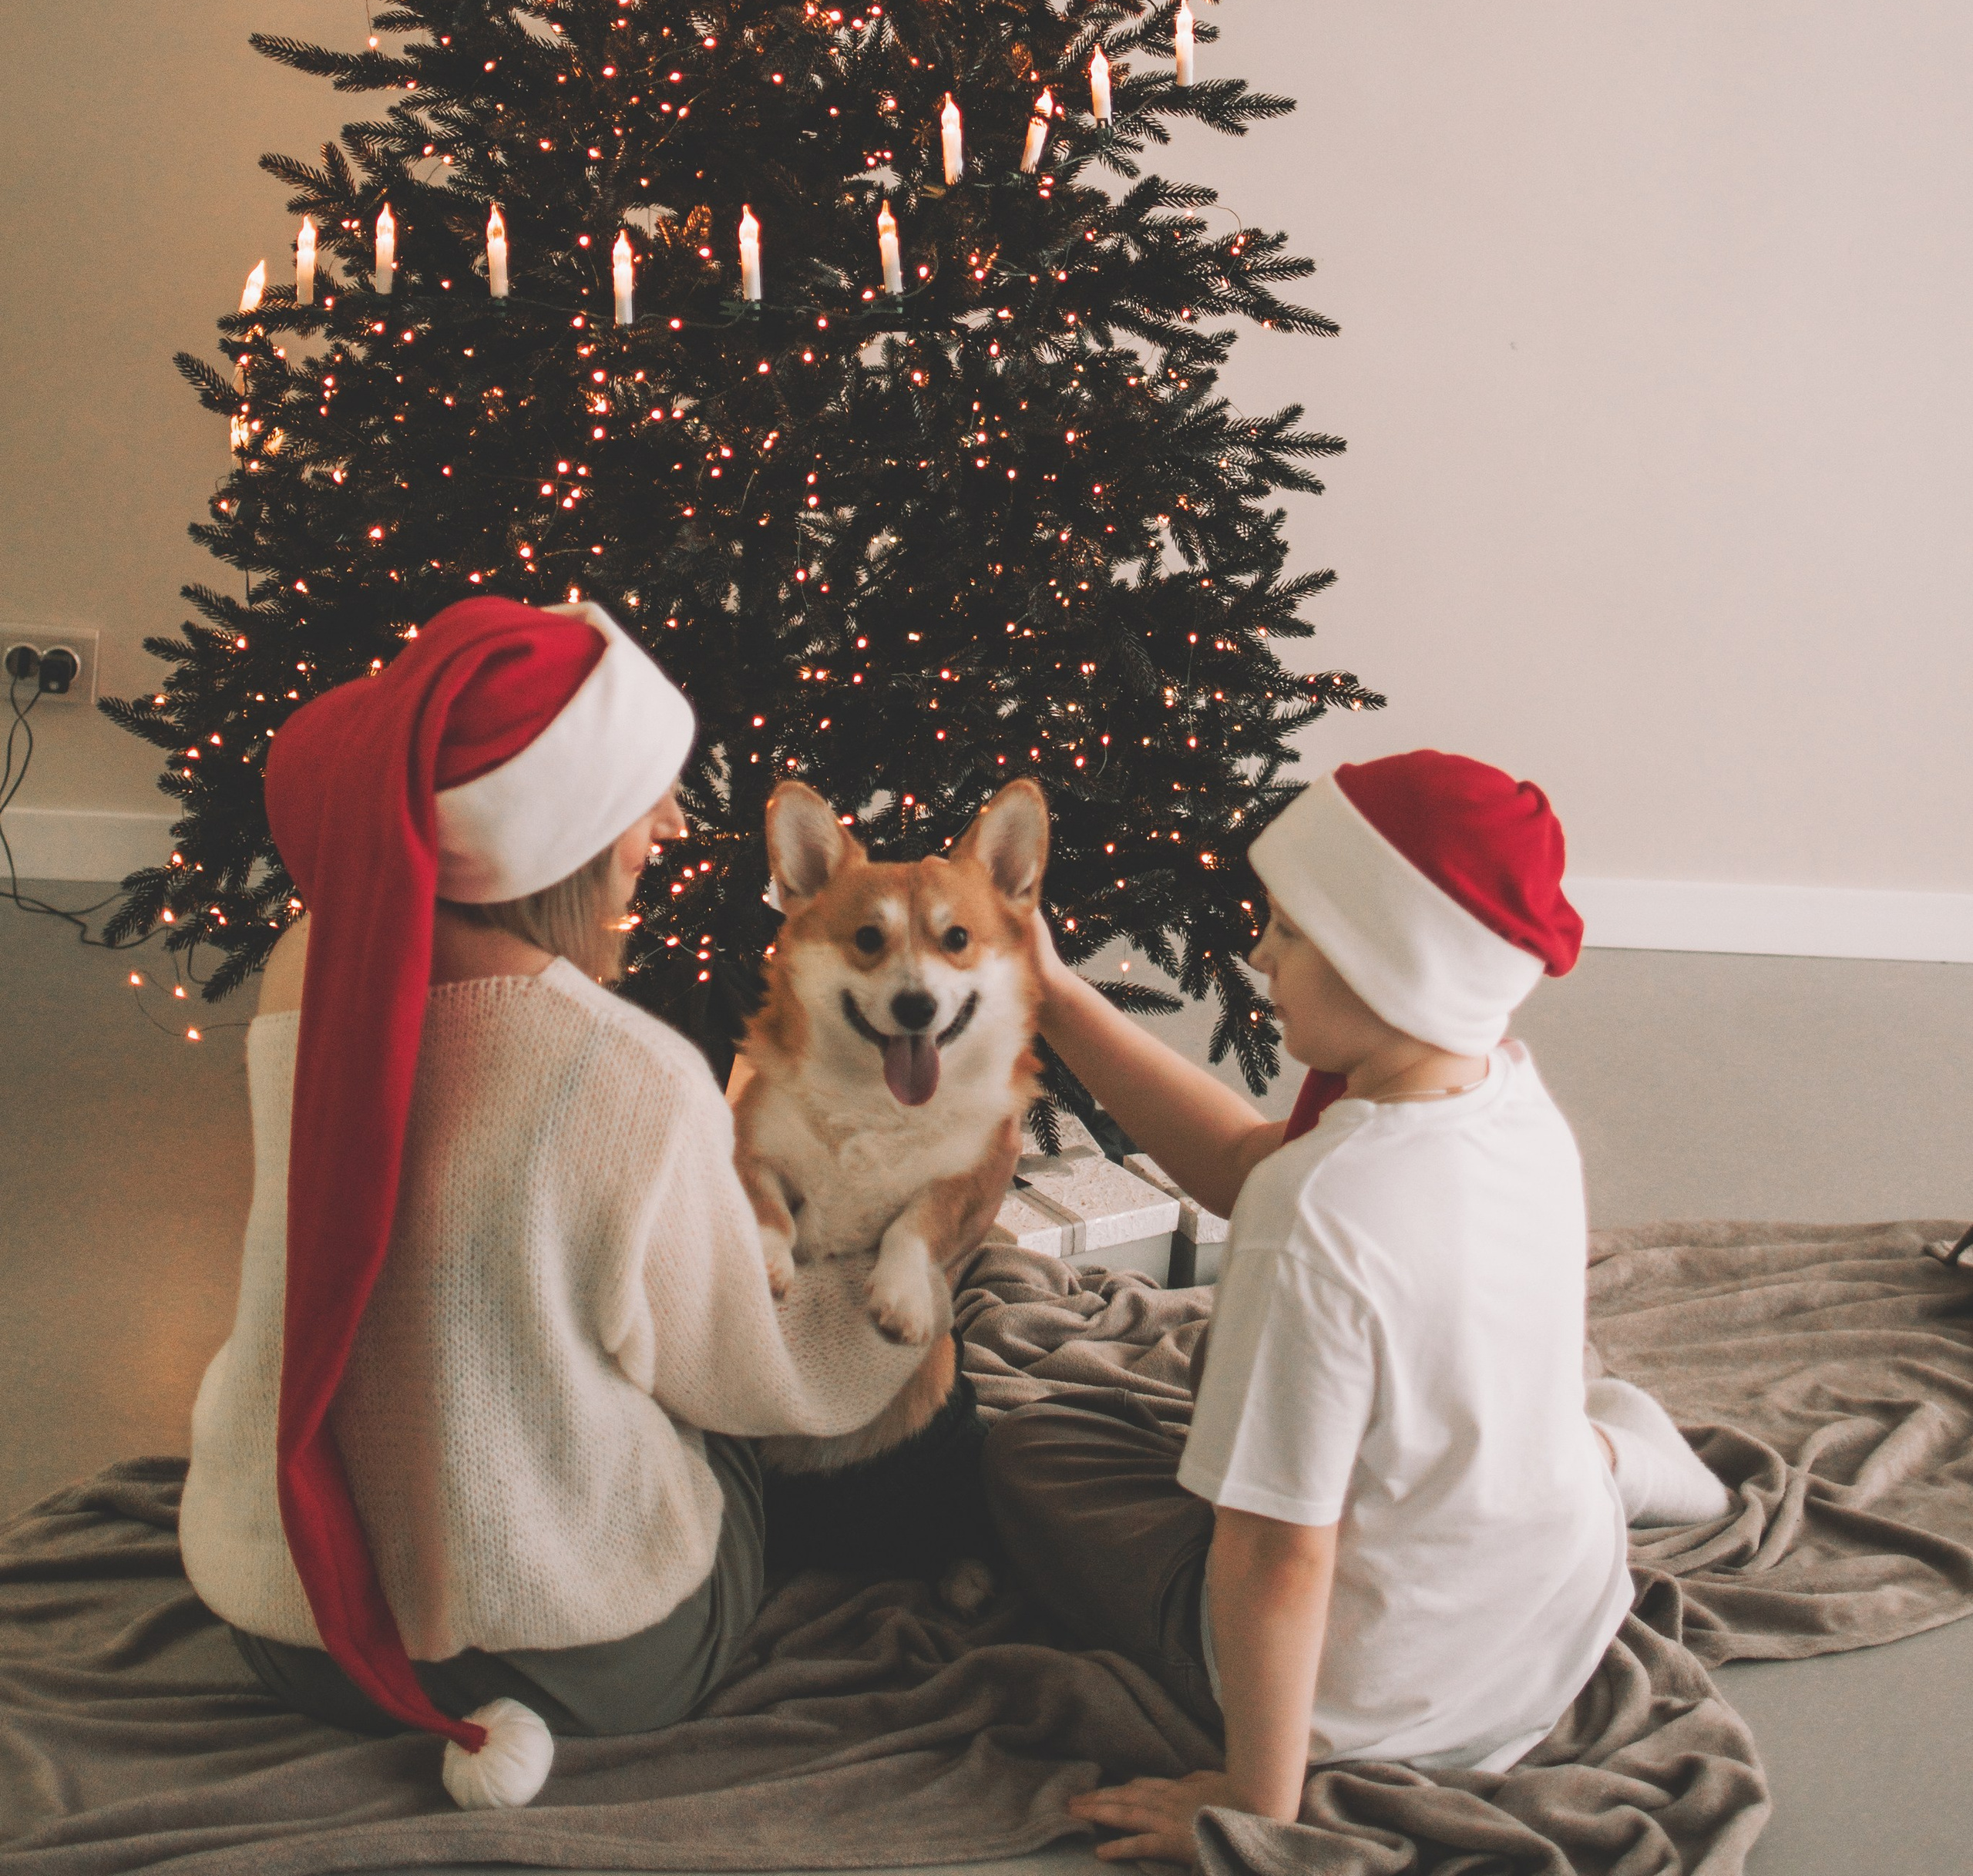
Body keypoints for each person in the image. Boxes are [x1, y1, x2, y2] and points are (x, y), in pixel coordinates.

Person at [179, 595, 1003, 1813]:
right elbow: (740, 1376)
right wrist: (921, 1275)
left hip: (293, 1616)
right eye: (643, 796)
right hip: (579, 1660)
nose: (671, 824)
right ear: (553, 833)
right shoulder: (628, 1072)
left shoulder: (307, 969)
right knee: (776, 1421)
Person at [986, 751, 1729, 1864]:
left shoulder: (1318, 1211)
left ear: (1390, 964)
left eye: (1291, 929)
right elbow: (1242, 1162)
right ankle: (1609, 1461)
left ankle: (1606, 1459)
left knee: (1033, 1453)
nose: (1259, 954)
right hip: (1553, 1624)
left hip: (1381, 1700)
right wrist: (1054, 993)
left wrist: (1255, 1804)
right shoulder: (1511, 1096)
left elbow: (1277, 1555)